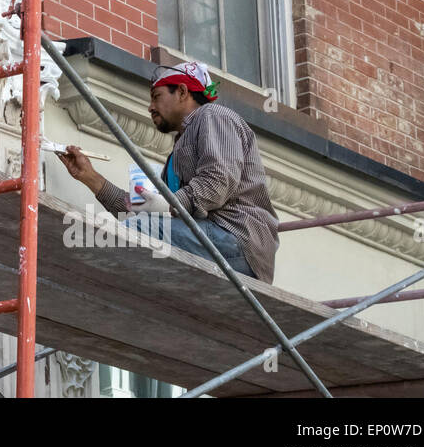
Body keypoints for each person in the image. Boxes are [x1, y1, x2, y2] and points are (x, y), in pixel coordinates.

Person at [54, 61, 279, 282]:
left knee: (127, 235)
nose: (150, 106)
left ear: (182, 91)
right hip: (214, 241)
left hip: (236, 241)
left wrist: (167, 205)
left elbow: (218, 181)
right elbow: (142, 212)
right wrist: (90, 177)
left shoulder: (213, 115)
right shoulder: (178, 151)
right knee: (128, 233)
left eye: (156, 96)